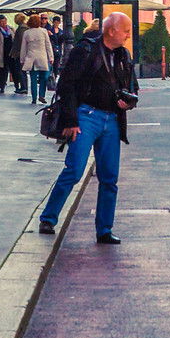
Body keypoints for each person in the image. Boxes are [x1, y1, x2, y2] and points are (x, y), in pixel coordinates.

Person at [39, 13, 138, 244]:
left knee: (109, 177)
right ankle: (48, 218)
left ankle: (104, 229)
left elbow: (133, 86)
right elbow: (67, 85)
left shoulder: (123, 55)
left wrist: (128, 101)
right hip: (86, 116)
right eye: (125, 30)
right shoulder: (85, 50)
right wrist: (70, 121)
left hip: (112, 119)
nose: (128, 35)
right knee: (74, 170)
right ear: (111, 31)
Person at [20, 14, 54, 104]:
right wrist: (51, 57)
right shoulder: (43, 31)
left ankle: (34, 98)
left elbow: (23, 48)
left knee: (33, 79)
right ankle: (41, 95)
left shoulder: (26, 33)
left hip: (31, 57)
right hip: (42, 57)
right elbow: (48, 45)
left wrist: (22, 59)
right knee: (43, 78)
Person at [0, 14, 15, 93]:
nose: (4, 23)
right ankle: (2, 85)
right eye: (2, 21)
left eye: (5, 21)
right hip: (0, 53)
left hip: (10, 53)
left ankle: (14, 84)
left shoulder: (11, 30)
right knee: (0, 70)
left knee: (10, 69)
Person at [10, 13, 29, 94]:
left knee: (20, 70)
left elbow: (21, 41)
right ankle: (23, 86)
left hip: (20, 53)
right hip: (21, 52)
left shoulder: (22, 29)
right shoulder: (23, 28)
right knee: (22, 70)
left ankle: (23, 87)